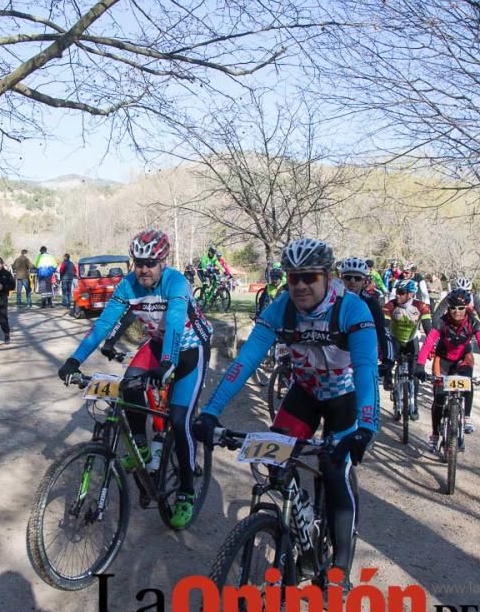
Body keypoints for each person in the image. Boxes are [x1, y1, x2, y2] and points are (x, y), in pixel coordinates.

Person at [194, 238, 378, 589]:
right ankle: (302, 528)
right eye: (294, 278)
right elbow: (246, 362)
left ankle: (338, 571)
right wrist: (211, 412)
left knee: (334, 470)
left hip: (345, 398)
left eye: (309, 277)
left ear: (326, 276)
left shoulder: (352, 309)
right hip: (305, 394)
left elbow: (367, 367)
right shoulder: (281, 308)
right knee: (275, 461)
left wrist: (366, 426)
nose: (301, 286)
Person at [57, 229, 212, 529]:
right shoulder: (128, 286)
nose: (143, 268)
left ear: (163, 262)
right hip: (157, 345)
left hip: (191, 348)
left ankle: (186, 493)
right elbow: (102, 325)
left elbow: (177, 322)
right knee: (129, 383)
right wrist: (74, 359)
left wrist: (168, 362)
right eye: (138, 262)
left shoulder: (176, 282)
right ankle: (141, 446)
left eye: (151, 263)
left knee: (179, 420)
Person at [415, 289, 480, 451]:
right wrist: (420, 365)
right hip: (443, 360)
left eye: (461, 308)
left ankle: (466, 416)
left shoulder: (474, 323)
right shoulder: (441, 322)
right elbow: (428, 344)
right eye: (453, 307)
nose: (457, 312)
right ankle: (435, 434)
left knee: (468, 382)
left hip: (463, 360)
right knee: (439, 398)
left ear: (467, 307)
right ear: (448, 308)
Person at [382, 279, 432, 416]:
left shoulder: (422, 307)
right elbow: (384, 327)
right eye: (397, 292)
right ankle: (388, 377)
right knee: (388, 358)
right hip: (395, 339)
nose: (397, 295)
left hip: (411, 340)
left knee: (414, 372)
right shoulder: (390, 305)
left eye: (401, 292)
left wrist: (432, 347)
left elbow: (429, 330)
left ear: (411, 294)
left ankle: (414, 402)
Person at [340, 257, 389, 382]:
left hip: (364, 355)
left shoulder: (371, 303)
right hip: (338, 358)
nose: (352, 281)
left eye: (357, 278)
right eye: (347, 277)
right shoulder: (332, 300)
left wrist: (388, 359)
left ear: (364, 281)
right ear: (341, 278)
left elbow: (382, 330)